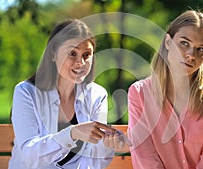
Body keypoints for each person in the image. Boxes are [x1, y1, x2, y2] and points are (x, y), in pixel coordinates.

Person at [9, 19, 130, 169]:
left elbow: (94, 163)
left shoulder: (97, 95)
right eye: (72, 53)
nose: (80, 62)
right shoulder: (26, 92)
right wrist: (72, 133)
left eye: (86, 55)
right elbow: (29, 155)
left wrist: (107, 145)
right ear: (53, 54)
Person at [128, 10, 203, 169]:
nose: (191, 55)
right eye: (184, 43)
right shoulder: (139, 93)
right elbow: (144, 154)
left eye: (200, 49)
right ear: (168, 42)